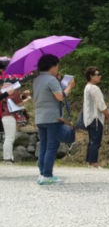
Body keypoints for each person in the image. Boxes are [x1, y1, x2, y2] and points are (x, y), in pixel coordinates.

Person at [33, 54, 74, 184]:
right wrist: (70, 86)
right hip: (52, 118)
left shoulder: (37, 80)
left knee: (44, 146)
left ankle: (42, 174)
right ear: (52, 66)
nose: (58, 68)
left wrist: (59, 82)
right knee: (51, 147)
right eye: (57, 66)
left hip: (40, 118)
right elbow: (60, 97)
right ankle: (47, 175)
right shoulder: (51, 80)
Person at [82, 66, 109, 168]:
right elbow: (100, 104)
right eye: (97, 74)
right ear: (91, 76)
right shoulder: (94, 88)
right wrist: (107, 114)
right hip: (95, 118)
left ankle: (90, 162)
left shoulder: (87, 87)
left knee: (92, 140)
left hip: (89, 118)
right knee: (96, 141)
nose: (100, 76)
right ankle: (94, 163)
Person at [2, 78, 31, 165]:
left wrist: (23, 95)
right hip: (10, 116)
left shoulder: (3, 90)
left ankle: (10, 158)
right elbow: (19, 103)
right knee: (9, 138)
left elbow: (13, 100)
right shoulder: (13, 90)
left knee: (9, 137)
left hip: (4, 115)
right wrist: (27, 98)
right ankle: (7, 159)